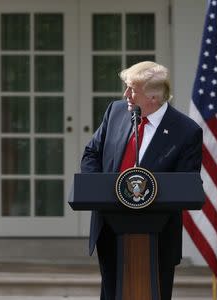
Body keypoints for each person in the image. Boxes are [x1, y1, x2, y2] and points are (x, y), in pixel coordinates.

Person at [80, 61, 202, 300]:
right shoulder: (115, 112)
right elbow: (92, 153)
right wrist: (98, 187)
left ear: (154, 97)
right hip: (110, 228)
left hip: (157, 238)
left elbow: (186, 184)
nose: (126, 95)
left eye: (132, 90)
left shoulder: (186, 131)